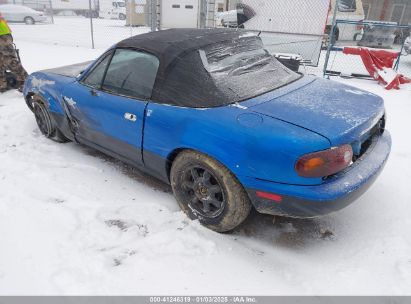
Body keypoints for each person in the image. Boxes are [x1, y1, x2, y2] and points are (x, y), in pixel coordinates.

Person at [0, 12, 28, 92]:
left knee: (11, 61)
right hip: (3, 36)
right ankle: (2, 85)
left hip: (2, 37)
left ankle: (26, 83)